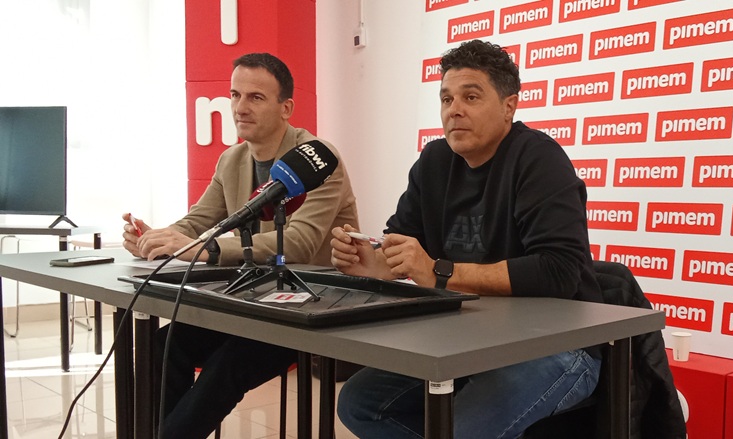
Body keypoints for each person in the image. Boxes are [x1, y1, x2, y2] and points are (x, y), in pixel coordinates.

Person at [330, 39, 603, 438]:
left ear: (509, 106)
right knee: (360, 403)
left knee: (459, 431)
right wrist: (373, 263)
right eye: (446, 98)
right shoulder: (434, 161)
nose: (454, 109)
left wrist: (440, 272)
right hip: (468, 340)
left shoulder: (539, 159)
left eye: (470, 97)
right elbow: (402, 245)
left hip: (557, 345)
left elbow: (558, 270)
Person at [121, 52, 359, 439]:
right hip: (251, 299)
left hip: (310, 303)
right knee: (162, 345)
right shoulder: (231, 159)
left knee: (226, 365)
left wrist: (206, 249)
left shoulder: (317, 159)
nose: (239, 107)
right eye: (235, 95)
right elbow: (197, 221)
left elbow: (298, 243)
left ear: (286, 108)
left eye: (255, 97)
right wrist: (156, 238)